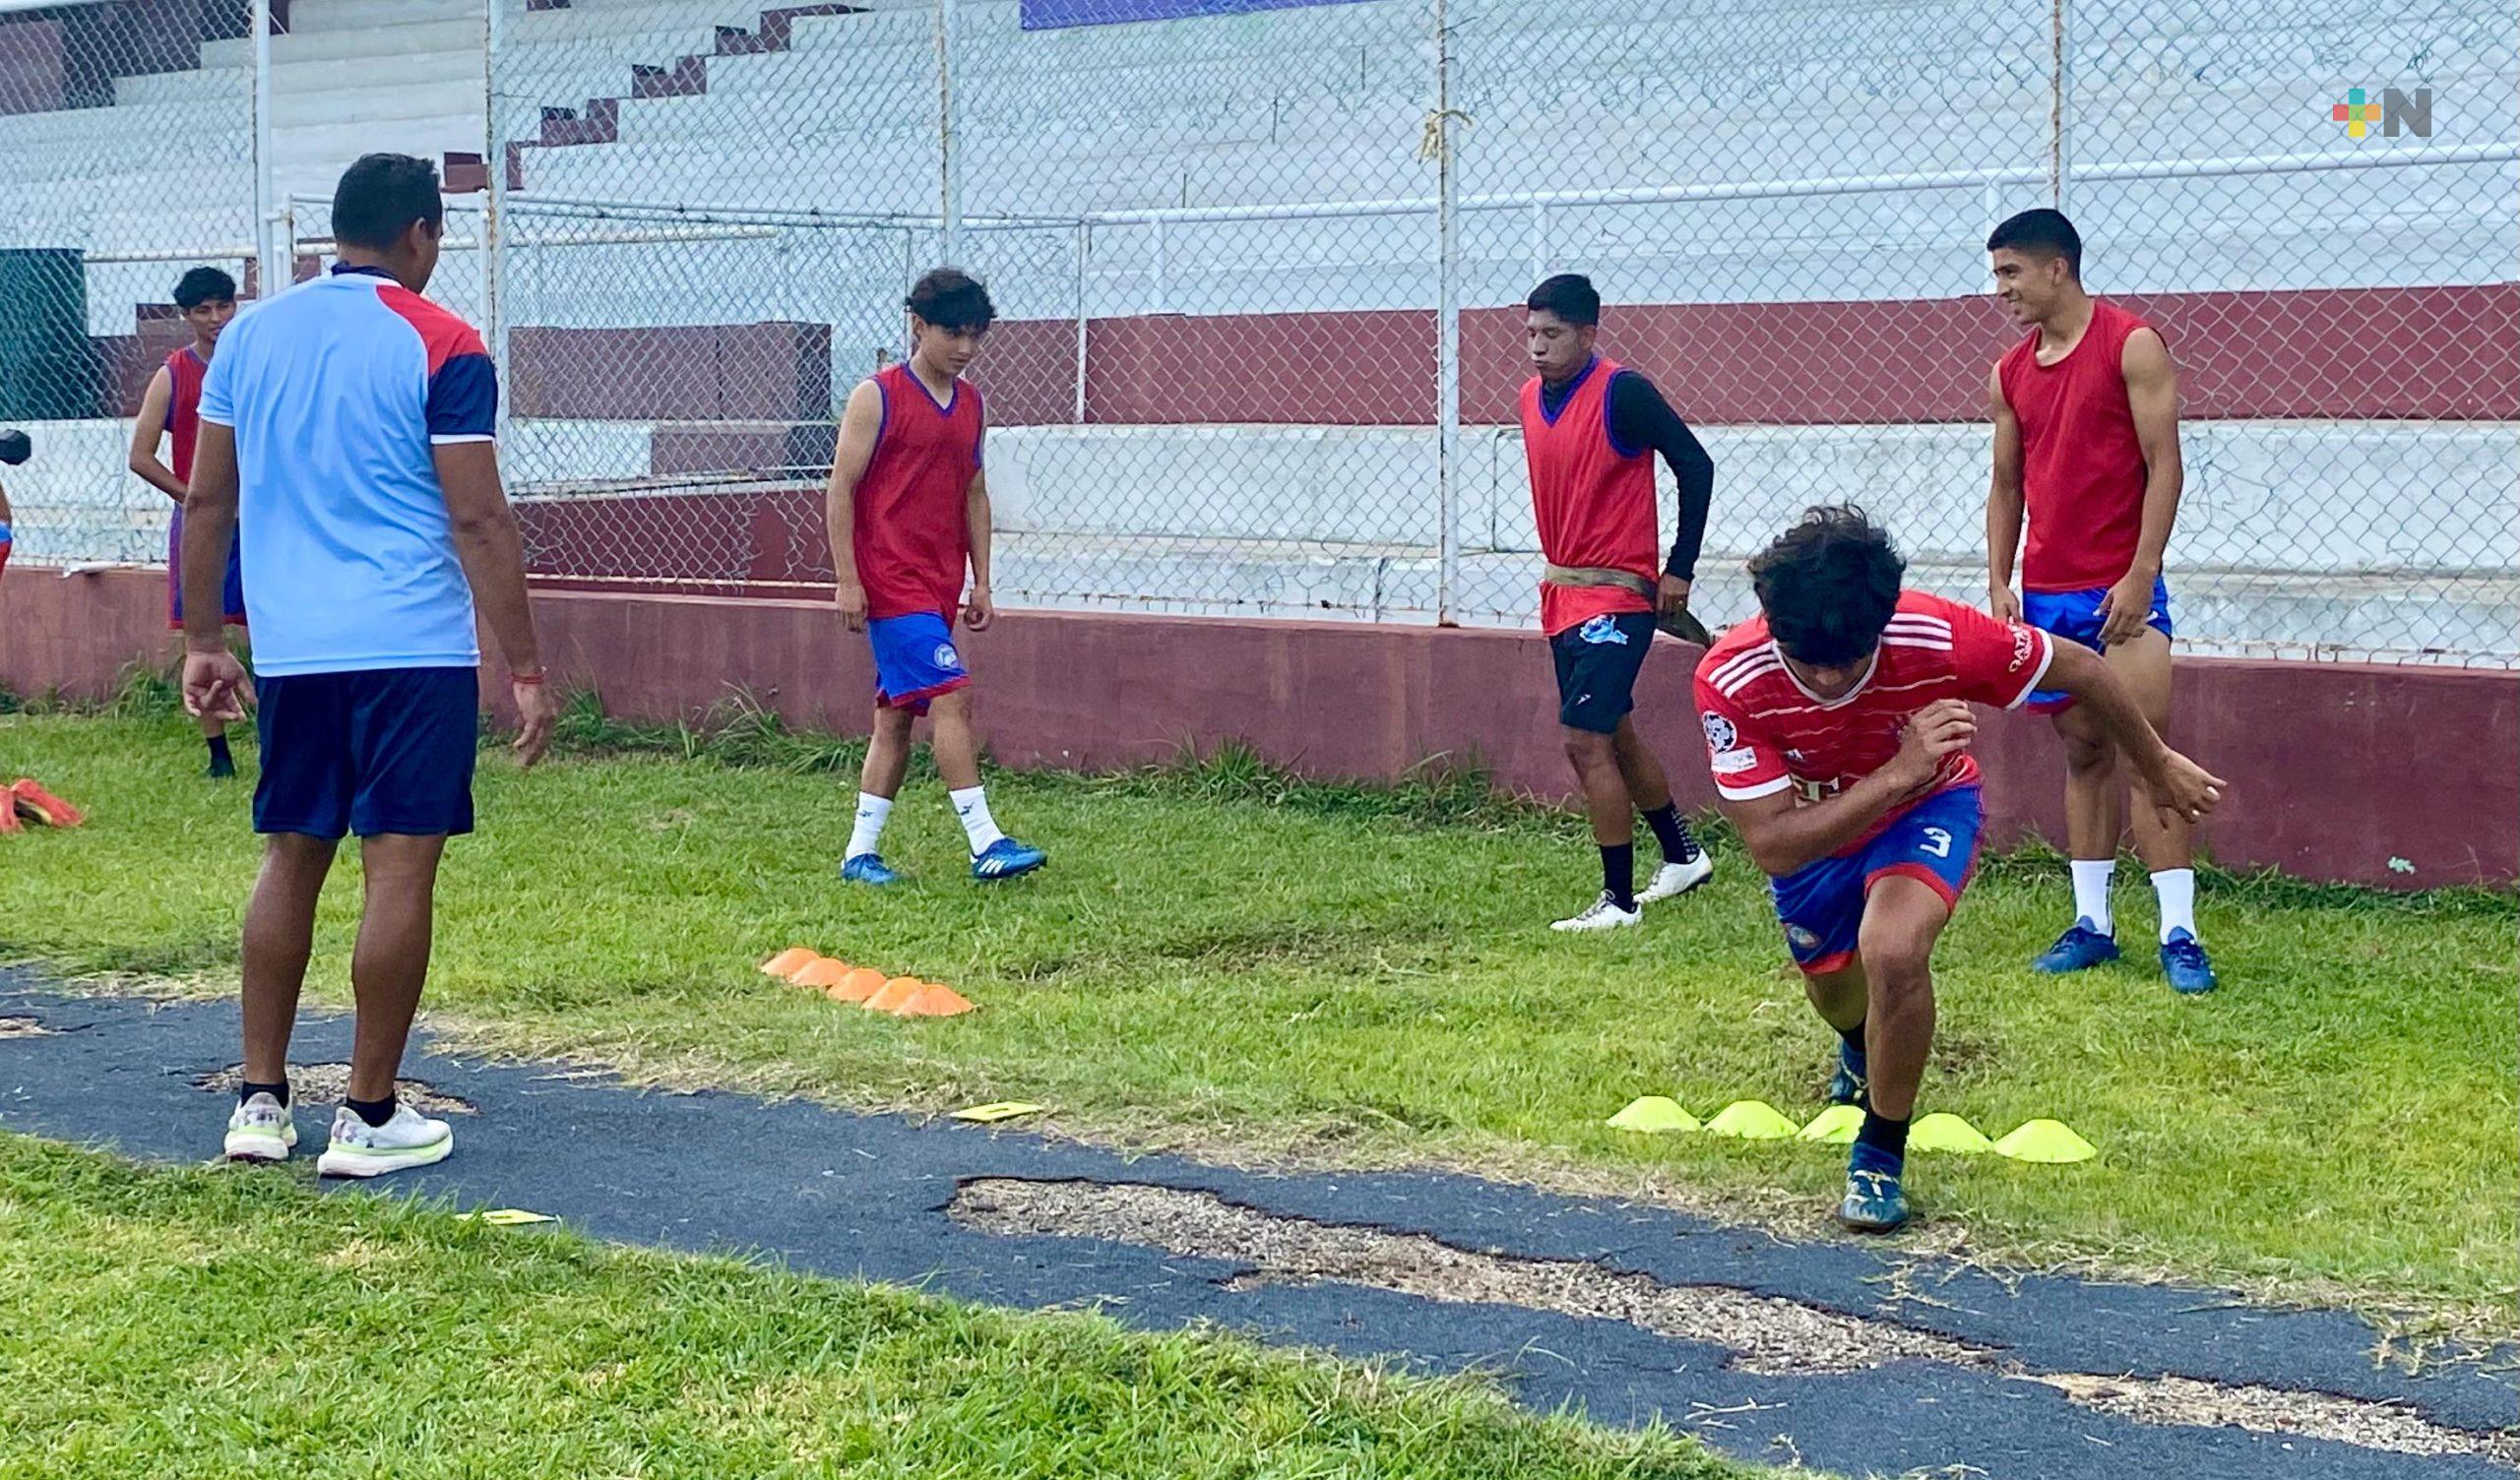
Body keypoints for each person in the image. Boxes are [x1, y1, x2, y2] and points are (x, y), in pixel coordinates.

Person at [181, 153, 559, 1178]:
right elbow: (479, 515)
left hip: (296, 650)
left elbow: (207, 501)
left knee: (290, 853)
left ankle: (259, 1102)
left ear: (333, 231)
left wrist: (206, 638)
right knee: (399, 863)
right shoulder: (441, 340)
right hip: (410, 646)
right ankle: (368, 1114)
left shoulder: (248, 334)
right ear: (423, 235)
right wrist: (525, 667)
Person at [1695, 507, 2220, 1232]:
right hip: (1820, 828)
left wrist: (2155, 762)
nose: (1822, 677)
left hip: (1925, 808)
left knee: (1894, 950)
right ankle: (1859, 1045)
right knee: (1840, 996)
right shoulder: (1730, 677)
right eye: (1803, 659)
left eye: (1843, 661)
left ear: (1879, 627)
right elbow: (1775, 847)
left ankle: (1879, 1152)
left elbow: (2085, 669)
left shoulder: (1935, 634)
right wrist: (1897, 769)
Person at [1984, 209, 2216, 993]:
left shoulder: (2132, 344)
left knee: (2148, 751)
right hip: (2048, 596)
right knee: (2085, 754)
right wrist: (1999, 582)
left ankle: (2180, 934)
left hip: (2123, 591)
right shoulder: (2010, 371)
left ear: (2058, 269)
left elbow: (2166, 464)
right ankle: (2093, 925)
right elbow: (2006, 483)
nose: (2002, 289)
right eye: (1997, 275)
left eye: (2012, 272)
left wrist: (2143, 572)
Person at [826, 267, 1045, 885]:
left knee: (895, 719)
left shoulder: (971, 403)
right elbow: (840, 487)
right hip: (890, 581)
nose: (966, 349)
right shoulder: (878, 395)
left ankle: (858, 854)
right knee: (953, 694)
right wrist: (848, 579)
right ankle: (986, 842)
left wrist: (981, 580)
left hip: (939, 582)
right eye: (953, 334)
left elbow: (975, 492)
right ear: (917, 325)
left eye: (977, 336)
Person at [1518, 273, 1716, 932]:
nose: (1538, 348)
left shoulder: (1622, 392)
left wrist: (1678, 569)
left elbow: (1695, 463)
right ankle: (1683, 856)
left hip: (1618, 597)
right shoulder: (1528, 398)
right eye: (1531, 335)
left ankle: (1618, 902)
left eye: (1553, 335)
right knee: (1616, 732)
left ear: (1588, 334)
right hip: (1562, 594)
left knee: (1584, 739)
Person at [131, 265, 246, 777]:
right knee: (200, 631)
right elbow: (141, 455)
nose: (216, 318)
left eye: (224, 306)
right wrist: (195, 498)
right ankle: (218, 754)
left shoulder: (251, 363)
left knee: (271, 626)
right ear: (186, 316)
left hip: (260, 516)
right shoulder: (174, 372)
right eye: (203, 310)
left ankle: (286, 735)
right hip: (201, 520)